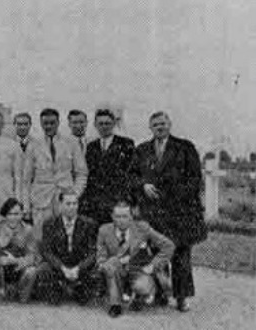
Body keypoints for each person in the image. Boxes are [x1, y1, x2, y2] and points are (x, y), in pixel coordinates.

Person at [132, 111, 207, 312]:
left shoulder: (185, 148)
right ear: (150, 127)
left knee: (181, 256)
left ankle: (182, 297)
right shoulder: (142, 150)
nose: (160, 127)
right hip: (153, 213)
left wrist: (174, 196)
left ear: (170, 124)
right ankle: (161, 293)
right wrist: (143, 185)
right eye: (155, 124)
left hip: (179, 213)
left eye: (163, 123)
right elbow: (131, 176)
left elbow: (195, 179)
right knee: (158, 254)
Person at [97, 201, 175, 318]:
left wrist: (153, 265)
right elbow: (101, 256)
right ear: (112, 217)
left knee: (142, 287)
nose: (121, 220)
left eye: (125, 216)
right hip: (118, 270)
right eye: (118, 216)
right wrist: (104, 264)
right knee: (111, 266)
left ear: (131, 217)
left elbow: (168, 245)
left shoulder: (142, 228)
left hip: (138, 270)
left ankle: (152, 291)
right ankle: (115, 305)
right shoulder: (104, 230)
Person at [23, 108, 88, 238]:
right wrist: (26, 206)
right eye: (45, 123)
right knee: (40, 238)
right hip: (41, 200)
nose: (48, 126)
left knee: (66, 237)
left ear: (58, 123)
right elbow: (26, 179)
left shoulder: (71, 142)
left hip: (65, 200)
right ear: (41, 124)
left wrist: (74, 194)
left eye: (52, 123)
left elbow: (81, 173)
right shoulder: (33, 145)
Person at [38, 189, 100, 306]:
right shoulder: (49, 224)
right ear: (60, 205)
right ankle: (57, 290)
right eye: (68, 204)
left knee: (85, 299)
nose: (72, 207)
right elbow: (46, 251)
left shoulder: (89, 224)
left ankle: (78, 290)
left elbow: (93, 252)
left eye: (75, 203)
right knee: (44, 268)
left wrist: (78, 268)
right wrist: (62, 268)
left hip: (80, 266)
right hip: (59, 266)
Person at [79, 109, 136, 225]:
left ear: (114, 124)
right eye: (101, 124)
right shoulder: (91, 146)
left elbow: (131, 173)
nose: (104, 127)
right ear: (95, 125)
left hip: (117, 200)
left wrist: (128, 200)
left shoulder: (126, 144)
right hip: (95, 202)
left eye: (107, 123)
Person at [0, 198, 38, 305]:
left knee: (32, 271)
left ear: (22, 214)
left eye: (17, 214)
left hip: (19, 268)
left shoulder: (28, 230)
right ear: (5, 215)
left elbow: (33, 256)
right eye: (10, 214)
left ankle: (21, 296)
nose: (13, 217)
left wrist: (14, 261)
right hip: (0, 269)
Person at [12, 112, 33, 179]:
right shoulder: (7, 145)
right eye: (19, 124)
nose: (22, 127)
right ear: (14, 125)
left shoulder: (37, 145)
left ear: (30, 125)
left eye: (25, 124)